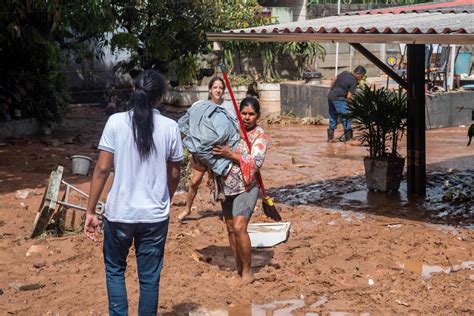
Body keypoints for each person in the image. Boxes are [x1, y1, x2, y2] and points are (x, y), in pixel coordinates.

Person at [84, 70, 183, 315]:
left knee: (115, 270)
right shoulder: (170, 127)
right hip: (154, 217)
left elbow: (103, 168)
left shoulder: (115, 122)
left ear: (133, 90)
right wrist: (165, 200)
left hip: (119, 213)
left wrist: (90, 210)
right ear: (160, 97)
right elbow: (174, 174)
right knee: (149, 278)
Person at [212, 96, 268, 283]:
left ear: (257, 116)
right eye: (243, 113)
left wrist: (231, 154)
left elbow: (256, 162)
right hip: (225, 184)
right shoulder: (232, 128)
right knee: (230, 228)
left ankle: (247, 271)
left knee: (239, 227)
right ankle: (238, 267)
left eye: (251, 114)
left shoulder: (259, 136)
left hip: (247, 186)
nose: (247, 117)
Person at [177, 76, 237, 222]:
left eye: (221, 88)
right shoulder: (201, 106)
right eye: (215, 87)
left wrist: (228, 149)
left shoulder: (228, 107)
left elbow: (235, 128)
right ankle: (187, 208)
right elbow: (190, 123)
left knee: (224, 182)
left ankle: (226, 211)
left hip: (219, 151)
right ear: (210, 90)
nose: (218, 90)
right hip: (201, 151)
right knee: (195, 181)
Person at [327, 65, 366, 142]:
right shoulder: (354, 81)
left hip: (330, 97)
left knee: (332, 117)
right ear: (358, 74)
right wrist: (354, 104)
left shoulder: (345, 72)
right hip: (339, 99)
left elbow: (334, 78)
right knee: (346, 118)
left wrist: (332, 89)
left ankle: (330, 139)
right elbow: (349, 97)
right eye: (361, 76)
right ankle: (349, 140)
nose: (361, 78)